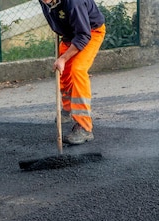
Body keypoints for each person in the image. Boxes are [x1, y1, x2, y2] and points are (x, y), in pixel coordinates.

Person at [38, 0, 105, 145]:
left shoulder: (75, 2)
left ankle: (85, 127)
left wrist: (63, 58)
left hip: (90, 32)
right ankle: (68, 109)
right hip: (70, 36)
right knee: (63, 70)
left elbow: (83, 35)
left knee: (77, 70)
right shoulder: (45, 0)